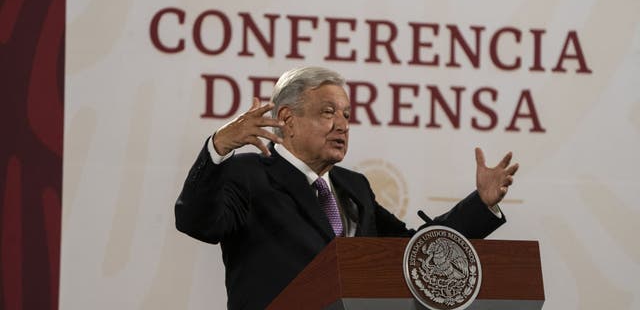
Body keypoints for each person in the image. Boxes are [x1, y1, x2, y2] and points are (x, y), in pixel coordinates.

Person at [175, 66, 518, 310]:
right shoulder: (247, 174)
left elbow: (412, 251)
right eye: (328, 112)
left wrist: (481, 204)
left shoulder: (354, 186)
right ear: (287, 120)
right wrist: (218, 146)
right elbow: (197, 222)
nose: (342, 124)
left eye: (347, 114)